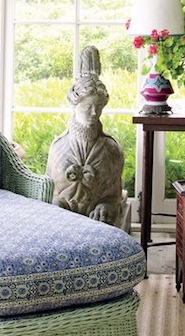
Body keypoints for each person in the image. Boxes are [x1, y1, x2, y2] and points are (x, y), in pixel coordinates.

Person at [46, 46, 129, 229]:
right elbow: (50, 191)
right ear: (74, 105)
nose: (93, 113)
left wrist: (105, 205)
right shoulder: (59, 147)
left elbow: (115, 194)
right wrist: (56, 205)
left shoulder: (111, 149)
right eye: (87, 107)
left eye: (98, 107)